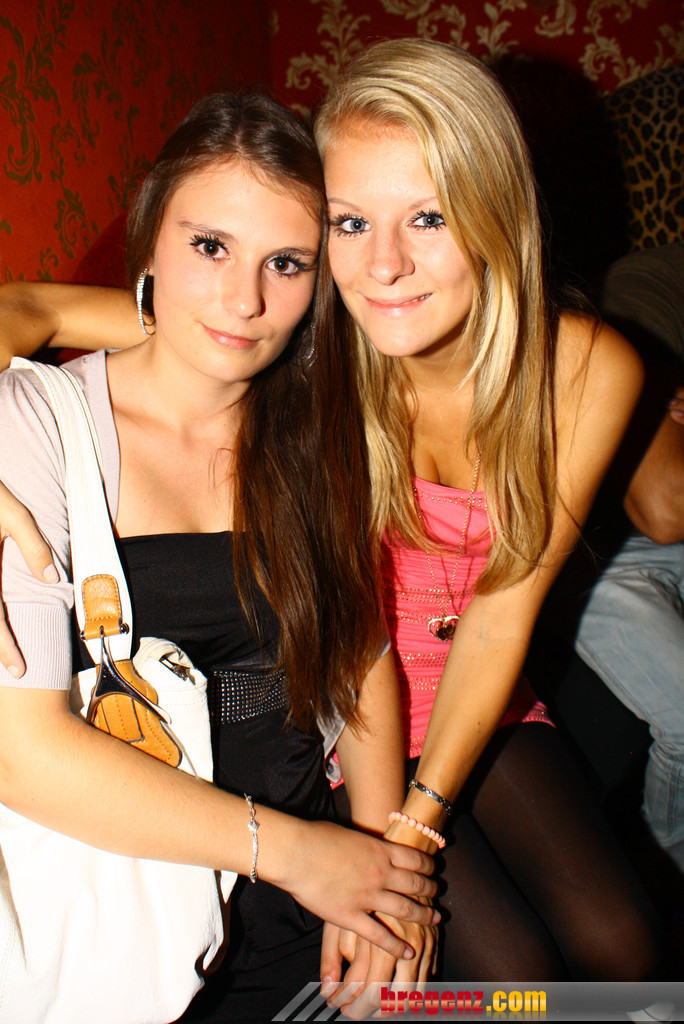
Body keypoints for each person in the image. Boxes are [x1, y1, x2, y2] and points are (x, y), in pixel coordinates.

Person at [0, 40, 664, 1008]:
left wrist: (409, 836)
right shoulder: (314, 339)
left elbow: (496, 620)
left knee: (627, 946)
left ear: (492, 209)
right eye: (351, 223)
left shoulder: (551, 362)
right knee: (512, 980)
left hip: (468, 692)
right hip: (350, 711)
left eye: (429, 216)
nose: (385, 265)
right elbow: (30, 307)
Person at [0, 92, 438, 1024]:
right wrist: (304, 857)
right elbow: (20, 751)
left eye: (286, 263)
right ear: (150, 241)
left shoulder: (315, 431)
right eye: (210, 246)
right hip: (117, 902)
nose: (246, 301)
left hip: (307, 887)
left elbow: (358, 652)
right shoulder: (36, 424)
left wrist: (374, 873)